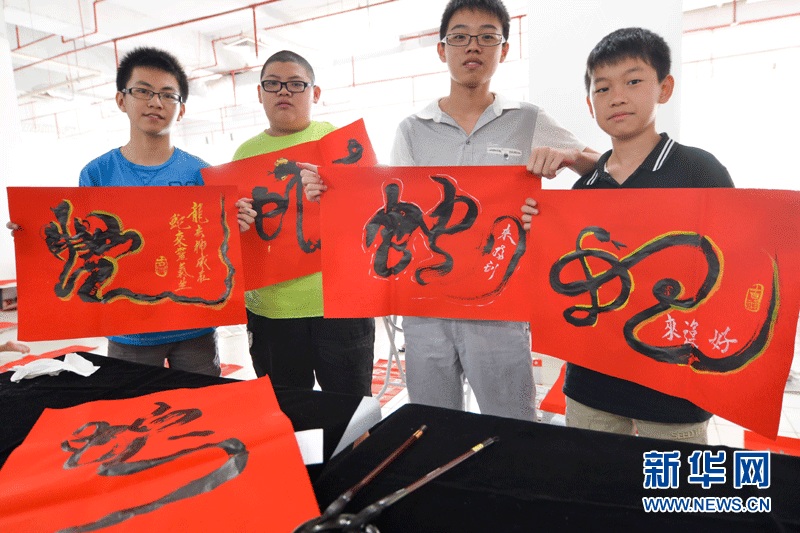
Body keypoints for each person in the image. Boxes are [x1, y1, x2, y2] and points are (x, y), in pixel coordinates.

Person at [303, 0, 597, 420]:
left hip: (500, 306)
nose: (472, 47)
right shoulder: (413, 128)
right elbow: (391, 201)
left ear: (504, 49)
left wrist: (565, 159)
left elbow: (596, 164)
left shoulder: (527, 119)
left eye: (486, 37)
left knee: (511, 424)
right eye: (459, 37)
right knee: (433, 424)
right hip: (426, 306)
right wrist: (329, 190)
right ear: (443, 50)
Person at [522, 27, 734, 443]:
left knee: (673, 496)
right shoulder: (584, 190)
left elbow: (730, 267)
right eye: (603, 88)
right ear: (590, 105)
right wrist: (538, 230)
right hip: (592, 386)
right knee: (595, 493)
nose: (617, 96)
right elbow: (570, 279)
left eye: (633, 81)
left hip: (673, 387)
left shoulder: (700, 172)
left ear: (664, 88)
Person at [8, 47, 255, 377]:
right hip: (129, 332)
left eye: (168, 95)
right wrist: (33, 234)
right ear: (121, 100)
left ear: (180, 109)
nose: (156, 102)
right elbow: (84, 245)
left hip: (194, 326)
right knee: (134, 414)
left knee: (203, 411)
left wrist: (237, 224)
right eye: (143, 91)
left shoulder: (202, 174)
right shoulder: (97, 174)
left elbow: (215, 248)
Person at [233, 50, 375, 396]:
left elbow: (375, 214)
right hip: (272, 310)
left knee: (350, 411)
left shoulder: (342, 144)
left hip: (342, 305)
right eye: (273, 84)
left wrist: (338, 195)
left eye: (296, 84)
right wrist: (233, 219)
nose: (284, 91)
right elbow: (236, 236)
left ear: (315, 93)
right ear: (259, 93)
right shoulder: (243, 155)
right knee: (286, 411)